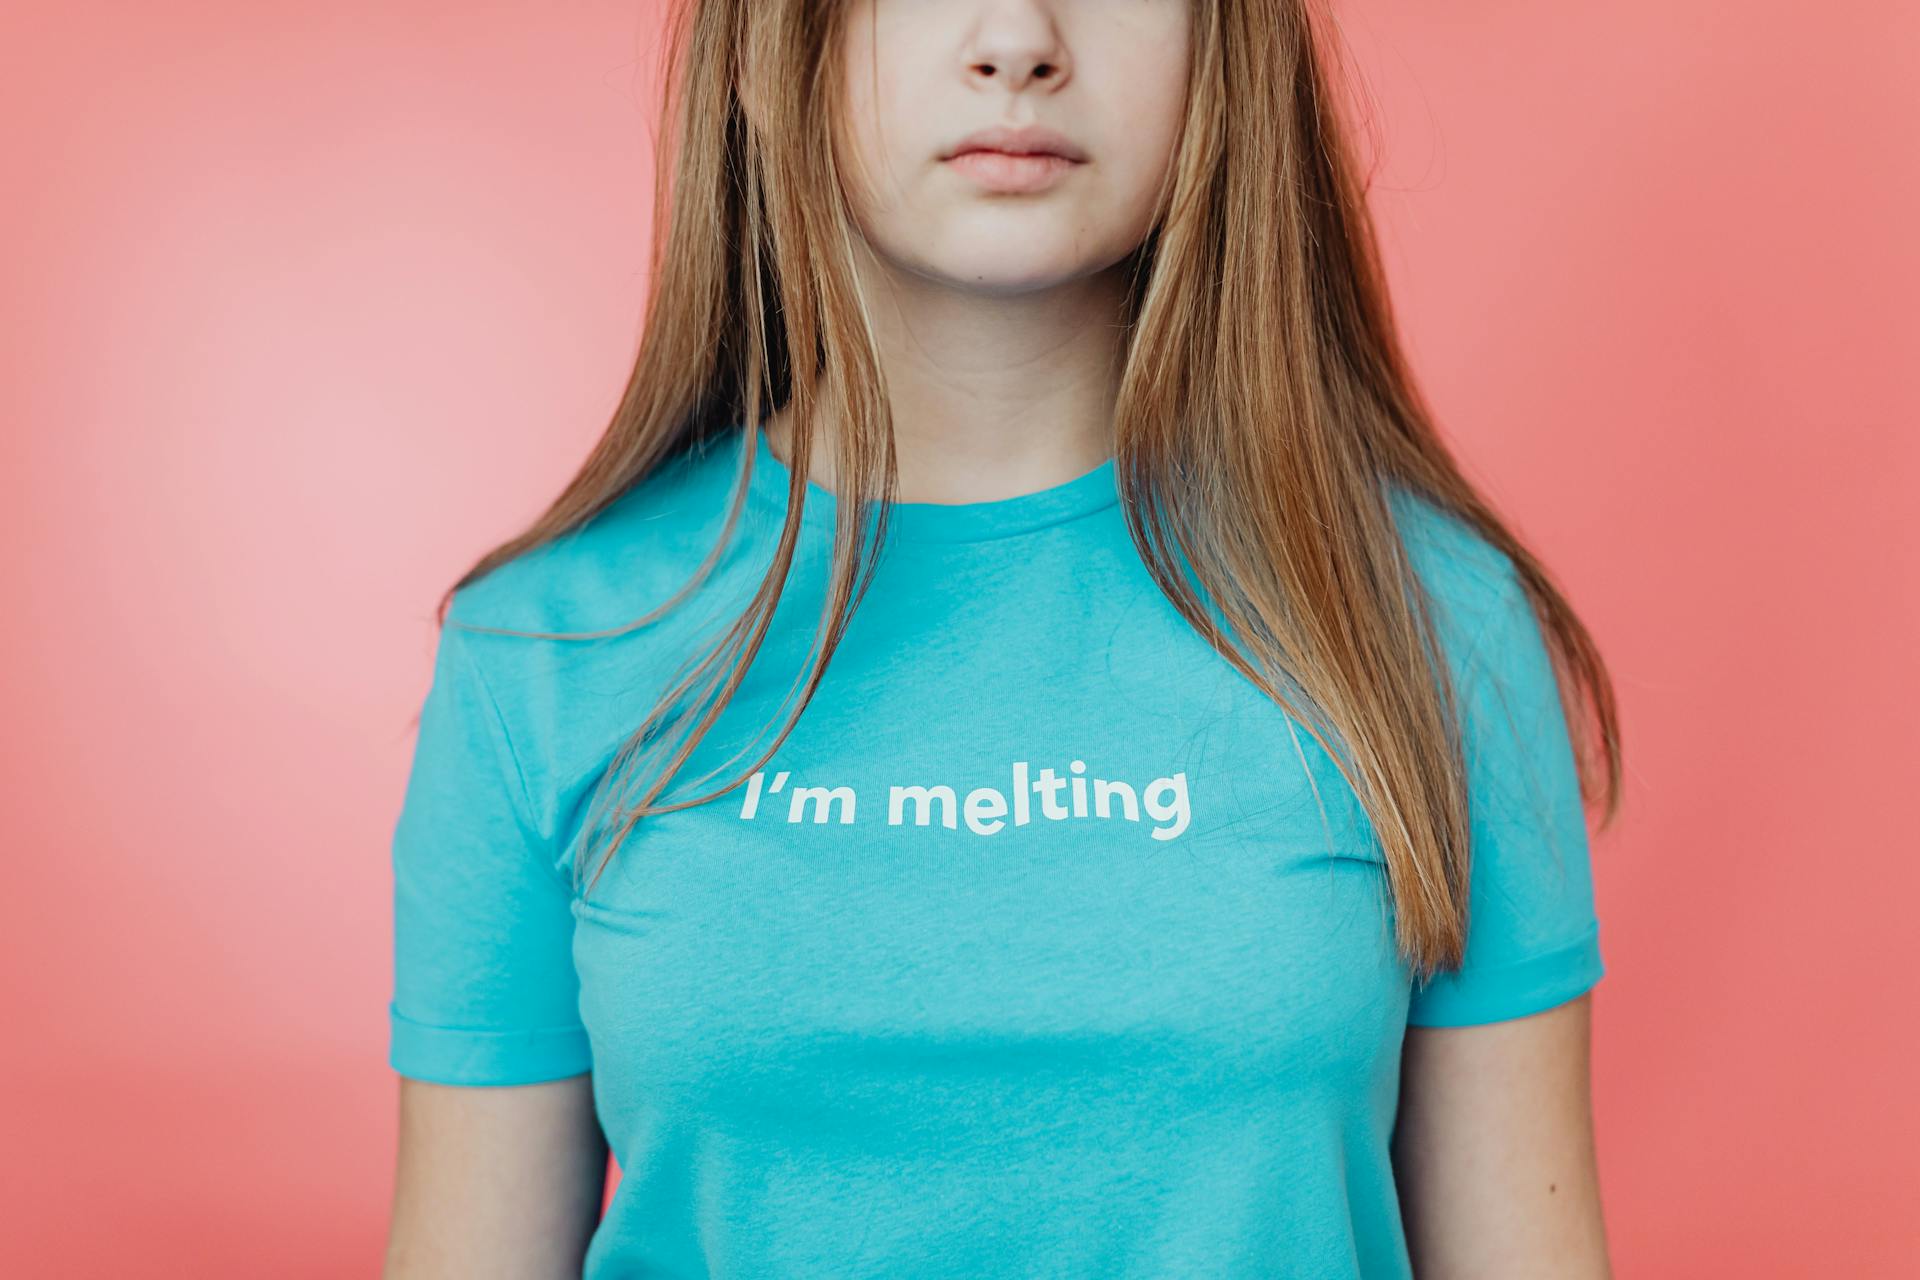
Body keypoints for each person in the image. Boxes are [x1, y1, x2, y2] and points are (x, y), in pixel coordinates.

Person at [381, 1, 1623, 1276]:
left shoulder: (1429, 621)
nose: (1018, 40)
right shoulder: (544, 648)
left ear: (1226, 44)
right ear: (763, 50)